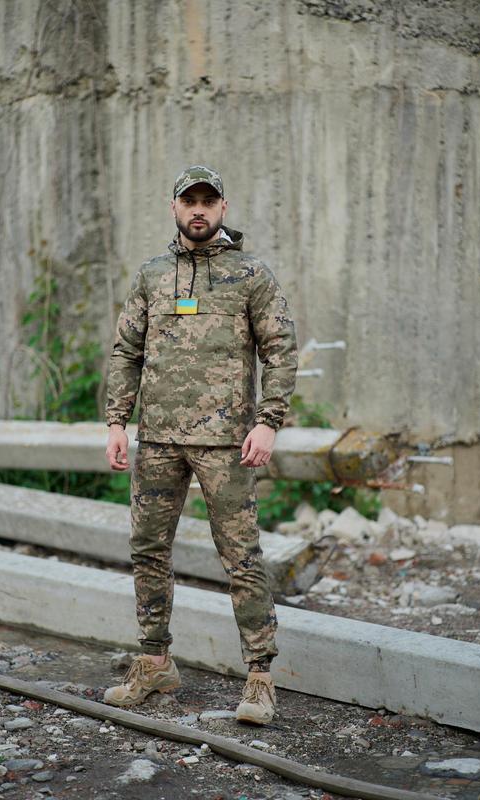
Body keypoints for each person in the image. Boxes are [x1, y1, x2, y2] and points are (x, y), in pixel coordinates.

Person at [103, 165, 297, 724]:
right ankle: (155, 662)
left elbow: (280, 351)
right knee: (147, 549)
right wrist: (116, 422)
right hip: (158, 438)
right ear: (174, 208)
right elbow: (127, 351)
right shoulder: (152, 275)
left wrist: (268, 421)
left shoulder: (251, 274)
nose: (198, 210)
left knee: (241, 558)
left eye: (208, 201)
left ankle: (259, 677)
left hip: (226, 443)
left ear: (222, 208)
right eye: (189, 201)